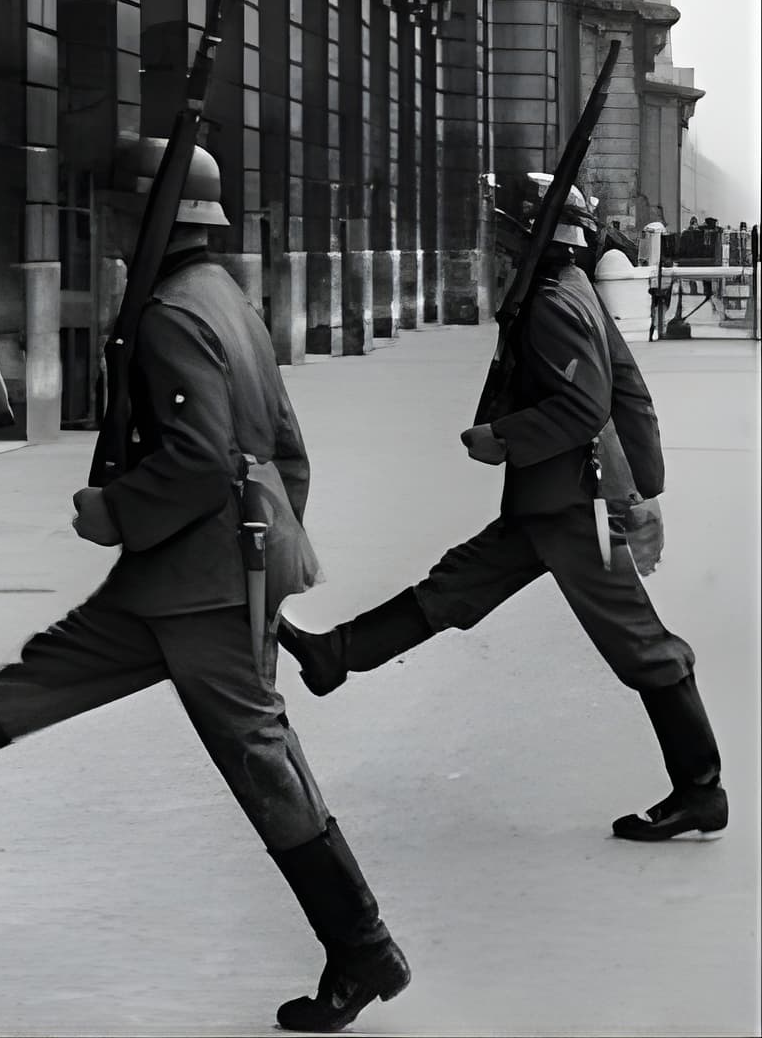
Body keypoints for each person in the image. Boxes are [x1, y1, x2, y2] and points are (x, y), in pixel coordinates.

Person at [0, 140, 413, 1034]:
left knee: (259, 758)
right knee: (44, 675)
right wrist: (270, 560)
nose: (114, 229)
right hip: (195, 575)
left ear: (148, 218)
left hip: (193, 584)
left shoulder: (171, 313)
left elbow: (203, 461)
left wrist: (114, 510)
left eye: (122, 214)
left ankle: (362, 947)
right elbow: (288, 449)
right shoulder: (226, 300)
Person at [278, 185, 726, 844]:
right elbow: (631, 389)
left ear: (531, 237)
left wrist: (503, 439)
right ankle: (335, 655)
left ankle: (701, 789)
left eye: (509, 235)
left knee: (641, 644)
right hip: (551, 505)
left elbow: (585, 406)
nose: (501, 245)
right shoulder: (570, 288)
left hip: (572, 508)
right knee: (455, 586)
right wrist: (645, 488)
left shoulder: (553, 303)